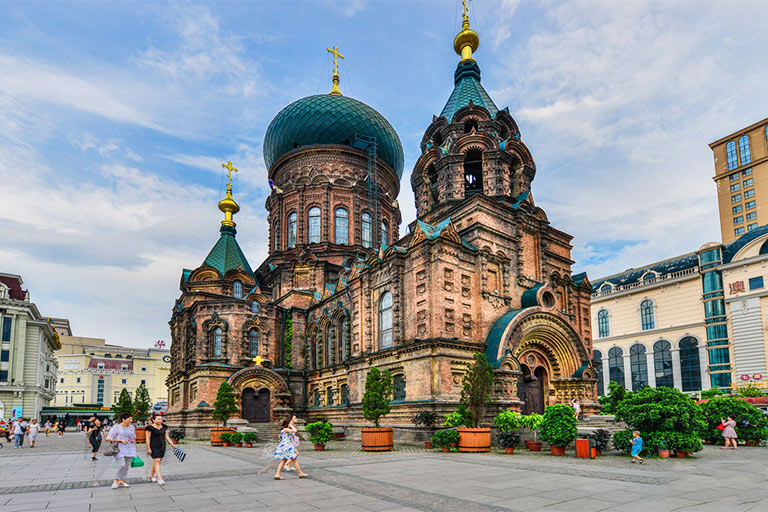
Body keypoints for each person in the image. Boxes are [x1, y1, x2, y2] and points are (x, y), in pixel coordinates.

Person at [105, 412, 138, 489]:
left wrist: (135, 448)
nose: (131, 420)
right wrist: (120, 440)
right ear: (123, 419)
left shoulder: (132, 427)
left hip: (130, 448)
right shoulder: (116, 427)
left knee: (126, 466)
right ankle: (115, 481)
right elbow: (108, 438)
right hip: (119, 448)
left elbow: (134, 438)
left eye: (131, 419)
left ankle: (122, 481)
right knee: (121, 464)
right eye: (129, 419)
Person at [145, 413, 176, 485]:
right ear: (153, 420)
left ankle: (151, 476)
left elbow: (167, 436)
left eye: (161, 419)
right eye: (158, 419)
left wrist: (172, 444)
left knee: (157, 462)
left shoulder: (164, 426)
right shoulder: (149, 428)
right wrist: (148, 448)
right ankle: (159, 478)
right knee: (157, 461)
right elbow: (147, 439)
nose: (160, 420)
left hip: (162, 446)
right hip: (153, 446)